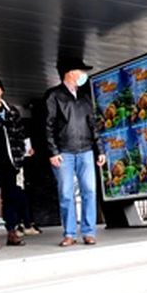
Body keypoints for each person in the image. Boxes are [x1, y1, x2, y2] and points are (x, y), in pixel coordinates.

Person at [44, 55, 105, 246]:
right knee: (66, 193)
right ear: (70, 73)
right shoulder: (53, 96)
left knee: (89, 191)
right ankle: (69, 233)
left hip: (86, 150)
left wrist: (100, 149)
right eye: (81, 71)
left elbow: (93, 125)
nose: (83, 75)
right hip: (64, 152)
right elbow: (48, 125)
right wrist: (53, 152)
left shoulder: (86, 98)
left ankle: (88, 232)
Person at [0, 77, 32, 247]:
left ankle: (11, 232)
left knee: (11, 198)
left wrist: (26, 150)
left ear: (2, 90)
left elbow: (21, 134)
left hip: (11, 161)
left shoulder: (12, 111)